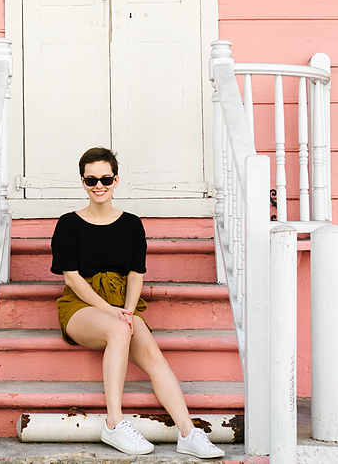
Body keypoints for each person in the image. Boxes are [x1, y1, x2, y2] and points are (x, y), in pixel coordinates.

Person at [50, 147, 225, 458]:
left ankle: (188, 432)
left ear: (116, 180)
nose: (99, 186)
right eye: (91, 180)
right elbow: (72, 279)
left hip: (123, 303)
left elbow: (135, 274)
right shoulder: (68, 224)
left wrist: (128, 311)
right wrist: (112, 313)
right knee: (119, 330)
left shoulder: (131, 224)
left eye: (106, 178)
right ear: (82, 183)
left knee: (153, 356)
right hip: (80, 306)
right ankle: (114, 423)